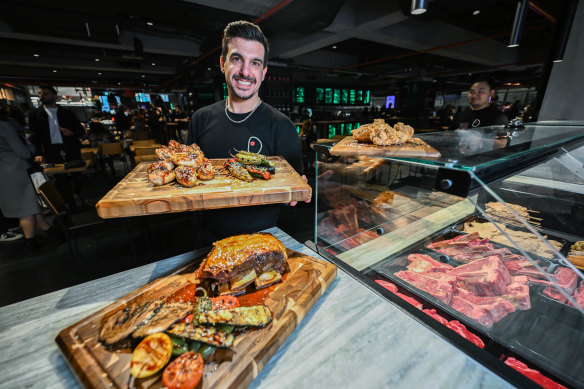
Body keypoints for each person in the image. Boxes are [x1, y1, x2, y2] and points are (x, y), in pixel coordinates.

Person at [187, 20, 307, 247]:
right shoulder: (200, 119)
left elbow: (293, 189)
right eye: (236, 59)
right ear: (222, 63)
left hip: (263, 244)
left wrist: (295, 192)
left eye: (255, 63)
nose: (245, 71)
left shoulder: (282, 126)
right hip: (206, 243)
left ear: (263, 72)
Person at [0, 105, 52, 251]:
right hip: (15, 170)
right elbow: (22, 151)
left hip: (3, 173)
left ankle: (50, 232)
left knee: (29, 206)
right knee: (26, 208)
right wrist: (32, 148)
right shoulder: (4, 125)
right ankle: (31, 243)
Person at [29, 86, 84, 163]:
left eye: (45, 94)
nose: (41, 96)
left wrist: (71, 132)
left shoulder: (67, 113)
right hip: (49, 151)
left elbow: (81, 131)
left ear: (55, 96)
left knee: (76, 173)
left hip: (70, 149)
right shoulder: (34, 115)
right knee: (57, 174)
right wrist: (38, 153)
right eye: (40, 94)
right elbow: (33, 135)